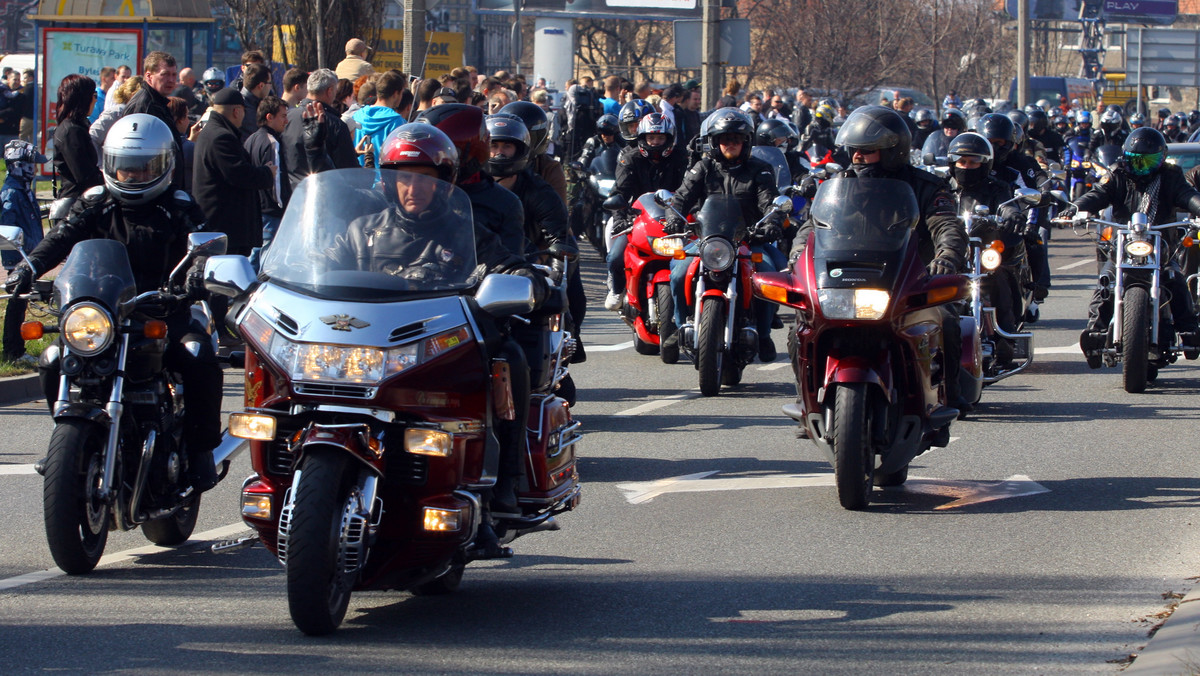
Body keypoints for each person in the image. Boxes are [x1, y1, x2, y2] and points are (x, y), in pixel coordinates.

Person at [5, 114, 222, 492]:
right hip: (102, 314)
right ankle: (65, 443)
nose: (133, 177)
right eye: (125, 169)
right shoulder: (97, 203)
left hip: (161, 311)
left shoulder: (178, 206)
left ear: (163, 165)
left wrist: (196, 274)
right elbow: (62, 237)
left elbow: (202, 245)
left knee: (198, 355)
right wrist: (29, 267)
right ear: (110, 165)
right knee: (53, 358)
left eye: (142, 169)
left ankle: (201, 450)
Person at [792, 106, 969, 411]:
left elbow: (947, 225)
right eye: (855, 151)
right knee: (802, 325)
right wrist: (798, 256)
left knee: (948, 320)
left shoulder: (926, 186)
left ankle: (949, 396)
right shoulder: (841, 185)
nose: (857, 157)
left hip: (908, 279)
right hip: (843, 277)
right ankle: (806, 399)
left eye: (867, 151)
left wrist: (945, 257)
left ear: (892, 151)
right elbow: (813, 225)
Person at [1068, 127, 1200, 367]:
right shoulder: (1117, 175)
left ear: (1161, 158)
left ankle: (1190, 334)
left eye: (1147, 161)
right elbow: (1099, 193)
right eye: (1135, 161)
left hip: (1161, 248)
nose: (1141, 167)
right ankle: (1095, 335)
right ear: (1125, 158)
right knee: (1106, 282)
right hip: (1124, 248)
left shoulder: (1172, 176)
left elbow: (1187, 195)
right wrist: (1077, 207)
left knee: (1176, 280)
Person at [667, 107, 784, 362]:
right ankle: (679, 326)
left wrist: (771, 221)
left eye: (736, 139)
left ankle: (763, 334)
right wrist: (673, 217)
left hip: (748, 240)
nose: (730, 144)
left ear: (746, 142)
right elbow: (680, 198)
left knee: (770, 275)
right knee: (677, 272)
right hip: (707, 241)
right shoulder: (703, 167)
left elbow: (770, 202)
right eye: (724, 139)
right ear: (714, 142)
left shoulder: (760, 169)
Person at [946, 132, 1026, 366]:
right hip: (950, 249)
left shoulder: (996, 187)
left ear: (985, 163)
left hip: (983, 248)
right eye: (962, 162)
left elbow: (1006, 206)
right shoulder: (943, 187)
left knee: (998, 277)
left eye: (973, 162)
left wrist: (1013, 215)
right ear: (953, 163)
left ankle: (1005, 336)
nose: (967, 167)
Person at [604, 113, 687, 318]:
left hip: (677, 218)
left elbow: (690, 189)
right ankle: (617, 288)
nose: (656, 143)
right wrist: (621, 216)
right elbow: (620, 192)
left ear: (669, 139)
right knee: (615, 257)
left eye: (660, 139)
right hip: (637, 217)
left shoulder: (681, 157)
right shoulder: (629, 158)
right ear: (642, 138)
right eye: (651, 138)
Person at [192, 88, 275, 257]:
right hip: (226, 226)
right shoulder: (221, 136)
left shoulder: (212, 132)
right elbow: (239, 174)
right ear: (237, 111)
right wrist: (267, 172)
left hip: (221, 225)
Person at [1, 140, 47, 365]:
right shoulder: (12, 194)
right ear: (19, 165)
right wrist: (29, 248)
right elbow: (8, 229)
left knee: (22, 303)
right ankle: (13, 351)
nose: (35, 169)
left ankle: (16, 348)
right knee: (16, 303)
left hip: (29, 258)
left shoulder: (23, 190)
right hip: (19, 260)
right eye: (31, 164)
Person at [282, 68, 357, 191]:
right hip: (325, 196)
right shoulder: (335, 124)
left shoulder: (287, 118)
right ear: (330, 91)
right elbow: (350, 171)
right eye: (335, 91)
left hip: (292, 196)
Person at [124, 51, 185, 190]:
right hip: (151, 189)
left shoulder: (158, 103)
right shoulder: (145, 106)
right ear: (149, 76)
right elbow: (138, 156)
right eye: (164, 74)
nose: (171, 80)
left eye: (173, 75)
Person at [244, 95, 290, 262]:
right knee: (265, 258)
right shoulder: (272, 143)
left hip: (257, 209)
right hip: (271, 211)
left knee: (255, 254)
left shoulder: (251, 139)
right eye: (283, 116)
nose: (286, 121)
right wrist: (282, 206)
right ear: (269, 117)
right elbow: (276, 179)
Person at [52, 74, 103, 201]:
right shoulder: (71, 131)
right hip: (77, 204)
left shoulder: (78, 125)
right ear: (83, 98)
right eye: (94, 95)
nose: (95, 100)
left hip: (84, 200)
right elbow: (84, 175)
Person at [352, 70, 408, 168]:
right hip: (383, 179)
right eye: (401, 93)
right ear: (396, 94)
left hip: (357, 178)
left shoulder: (356, 116)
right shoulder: (397, 122)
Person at [239, 62, 272, 139]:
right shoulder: (243, 107)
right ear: (261, 85)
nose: (271, 87)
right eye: (270, 83)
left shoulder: (253, 103)